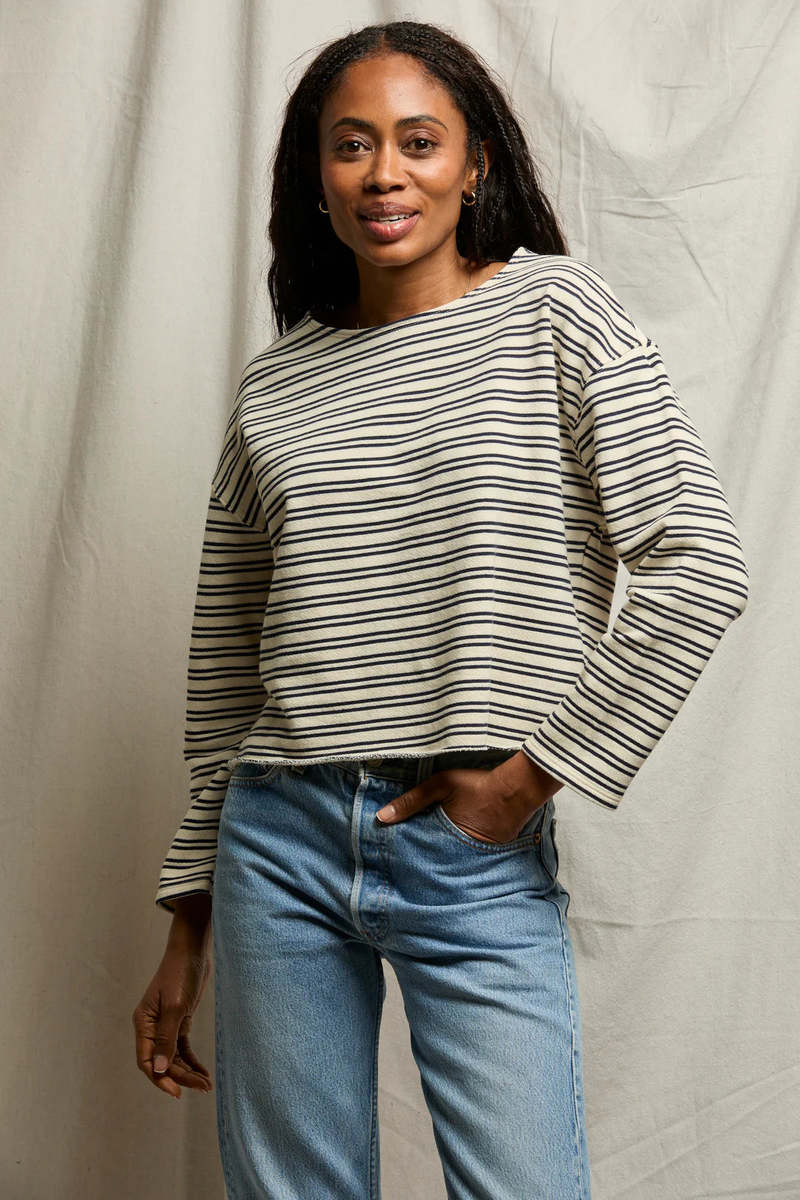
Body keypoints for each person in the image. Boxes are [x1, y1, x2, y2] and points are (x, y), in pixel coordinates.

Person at [132, 19, 749, 1199]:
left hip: (466, 839)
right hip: (275, 843)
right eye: (351, 144)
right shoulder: (277, 383)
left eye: (418, 141)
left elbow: (697, 560)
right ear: (315, 177)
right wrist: (188, 916)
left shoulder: (557, 313)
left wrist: (529, 777)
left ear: (474, 167)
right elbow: (224, 666)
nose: (384, 173)